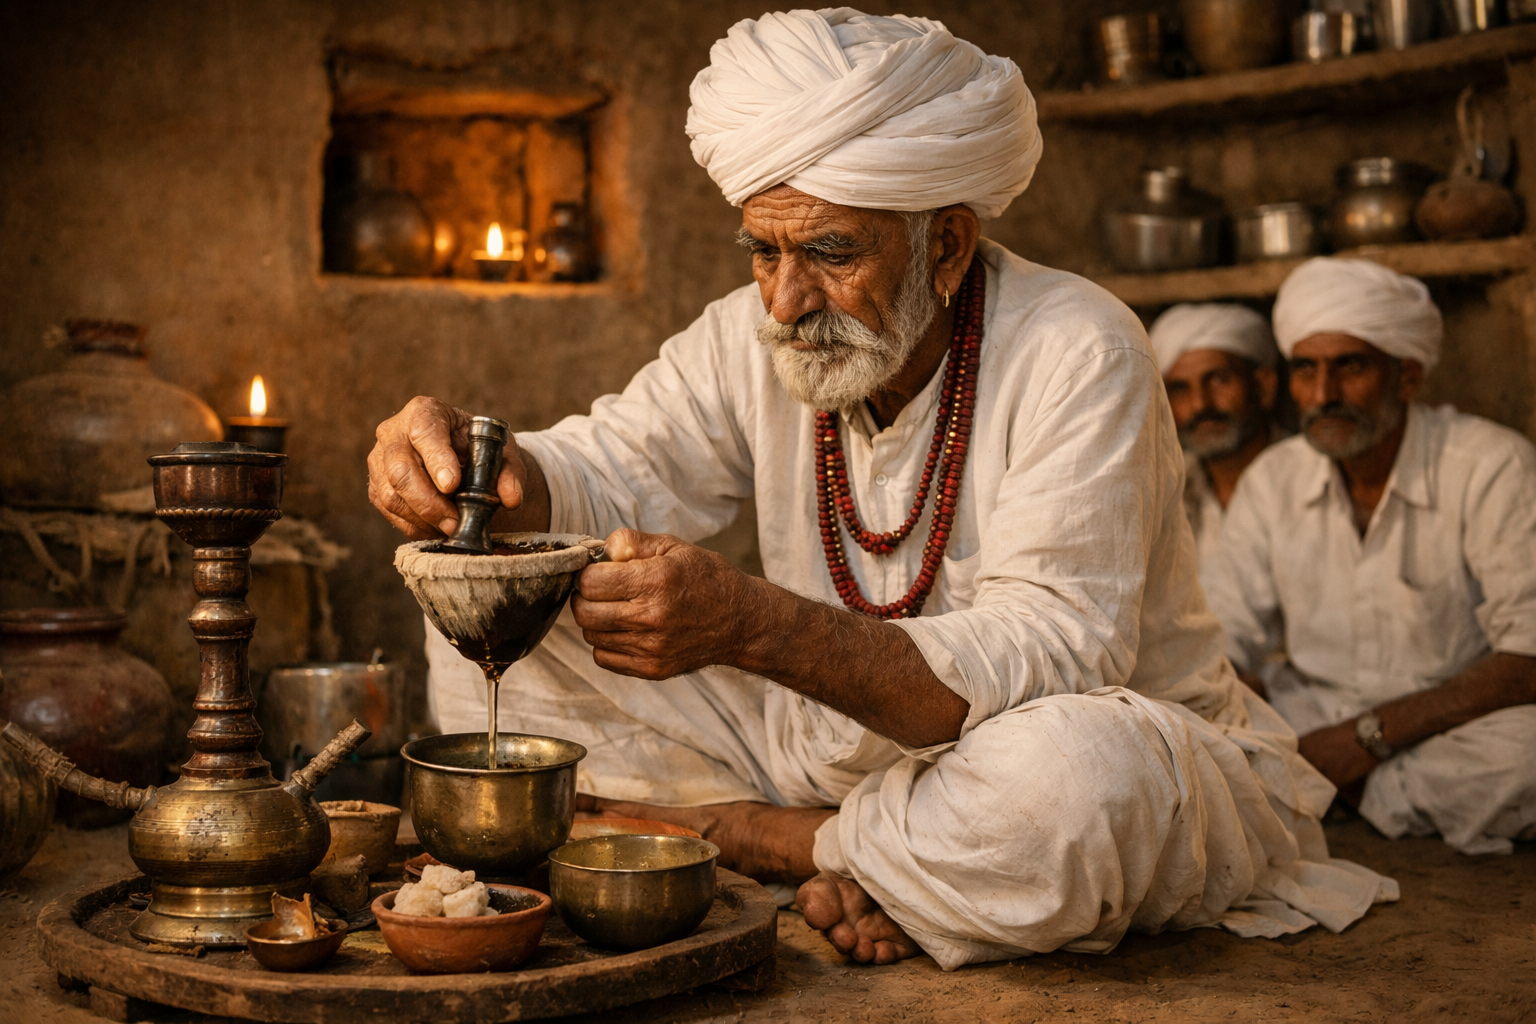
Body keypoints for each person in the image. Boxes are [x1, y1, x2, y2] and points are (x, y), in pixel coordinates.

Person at [368, 10, 1393, 969]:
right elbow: (615, 464)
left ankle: (757, 841)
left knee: (1081, 786)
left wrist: (752, 627)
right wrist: (491, 471)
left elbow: (1057, 655)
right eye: (763, 251)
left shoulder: (1078, 345)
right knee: (499, 601)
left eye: (828, 252)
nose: (783, 299)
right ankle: (874, 859)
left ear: (945, 245)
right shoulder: (752, 334)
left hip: (1047, 745)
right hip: (826, 743)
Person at [1206, 257, 1536, 856]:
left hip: (1450, 722)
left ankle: (1337, 793)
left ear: (1406, 376)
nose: (1323, 395)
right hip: (1311, 713)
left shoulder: (1491, 466)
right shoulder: (1273, 481)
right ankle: (1365, 792)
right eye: (1305, 370)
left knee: (1528, 753)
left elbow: (1528, 655)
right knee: (1192, 731)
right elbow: (1224, 637)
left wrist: (1361, 743)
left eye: (1349, 366)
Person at [1150, 303, 1281, 591]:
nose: (1201, 405)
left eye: (1219, 380)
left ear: (1264, 386)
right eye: (1181, 389)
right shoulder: (1166, 491)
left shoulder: (1308, 480)